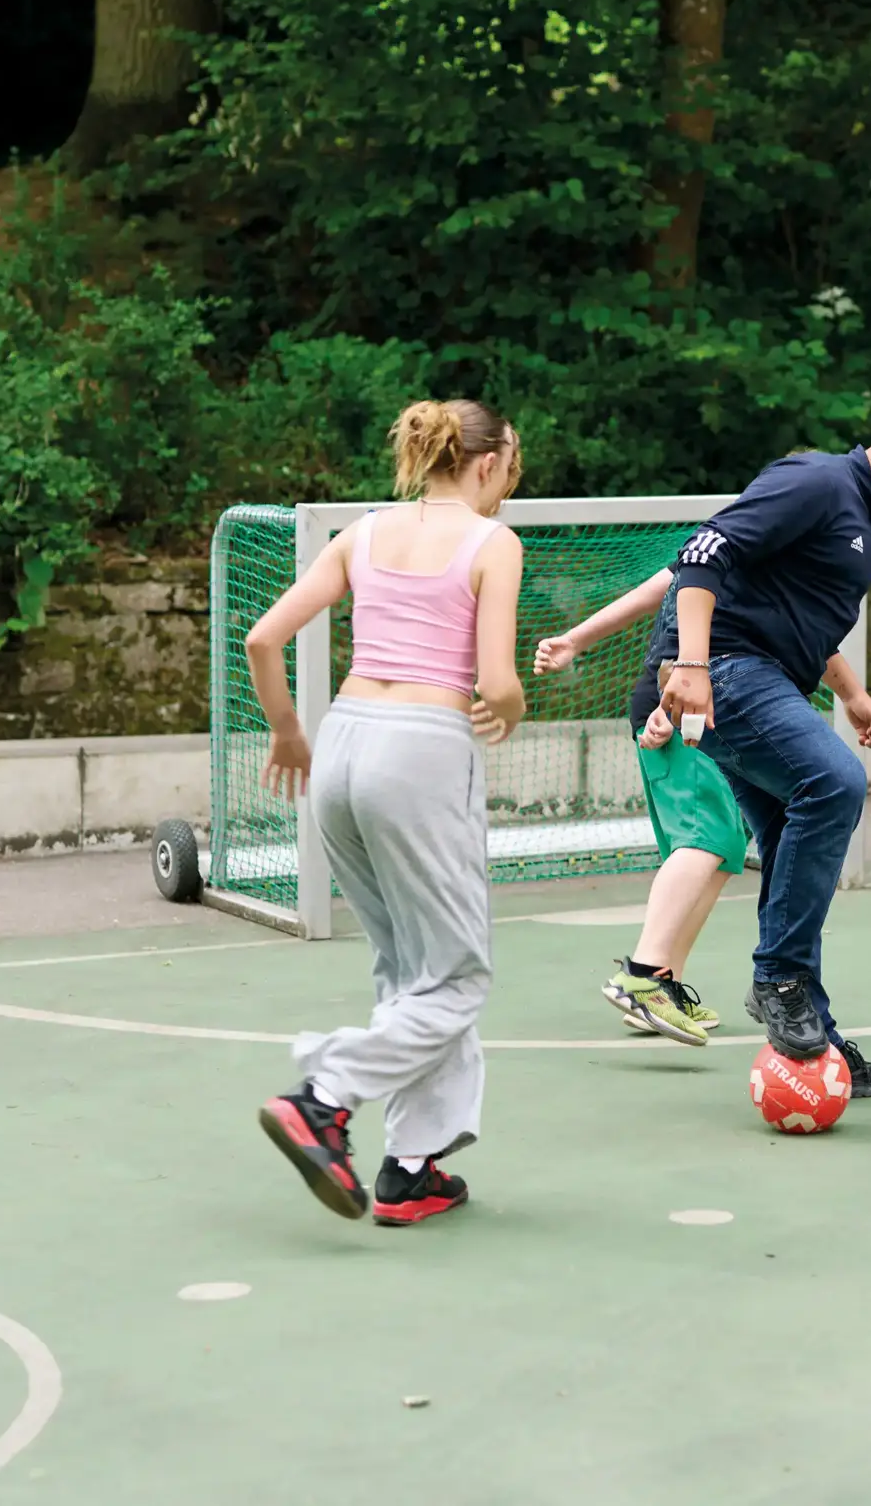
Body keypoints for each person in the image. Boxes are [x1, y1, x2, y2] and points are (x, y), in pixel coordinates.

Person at [244, 399, 526, 1226]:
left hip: (342, 744)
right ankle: (324, 1099)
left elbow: (265, 639)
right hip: (422, 752)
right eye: (511, 467)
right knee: (458, 975)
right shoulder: (492, 542)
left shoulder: (362, 534)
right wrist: (510, 703)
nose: (510, 485)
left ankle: (413, 1167)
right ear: (484, 463)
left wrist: (289, 731)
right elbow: (496, 681)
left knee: (412, 969)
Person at [659, 395, 871, 1095]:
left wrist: (853, 693)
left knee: (789, 841)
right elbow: (702, 551)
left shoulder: (859, 516)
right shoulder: (817, 481)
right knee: (834, 782)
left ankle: (817, 1045)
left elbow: (801, 620)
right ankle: (777, 980)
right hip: (725, 668)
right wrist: (689, 666)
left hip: (764, 673)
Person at [534, 572, 871, 1046]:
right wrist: (579, 644)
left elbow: (803, 637)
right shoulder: (731, 548)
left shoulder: (764, 556)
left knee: (723, 848)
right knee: (709, 838)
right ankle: (641, 976)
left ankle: (664, 982)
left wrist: (854, 695)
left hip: (697, 706)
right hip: (687, 707)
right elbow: (655, 605)